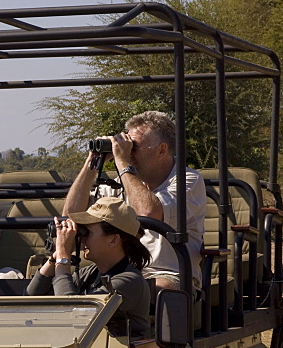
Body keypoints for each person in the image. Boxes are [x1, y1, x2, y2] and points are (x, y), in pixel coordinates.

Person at [64, 110, 205, 292]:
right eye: (126, 146)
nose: (128, 153)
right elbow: (71, 215)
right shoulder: (120, 184)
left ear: (161, 150)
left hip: (168, 275)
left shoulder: (188, 180)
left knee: (142, 289)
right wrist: (92, 162)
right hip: (121, 273)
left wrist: (122, 162)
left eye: (134, 147)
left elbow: (149, 213)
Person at [27, 198, 151, 338]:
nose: (82, 238)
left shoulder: (129, 281)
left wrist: (63, 258)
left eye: (88, 232)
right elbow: (31, 298)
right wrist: (55, 256)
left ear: (113, 240)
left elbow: (75, 316)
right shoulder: (90, 273)